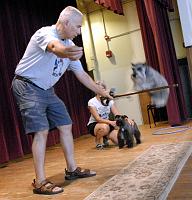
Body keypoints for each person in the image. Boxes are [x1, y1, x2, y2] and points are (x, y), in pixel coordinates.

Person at [12, 6, 112, 195]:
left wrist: (103, 92)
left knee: (65, 124)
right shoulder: (45, 34)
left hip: (46, 89)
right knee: (41, 131)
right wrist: (69, 51)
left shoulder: (69, 44)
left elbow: (82, 75)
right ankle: (40, 182)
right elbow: (55, 48)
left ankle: (72, 170)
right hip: (26, 85)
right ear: (65, 22)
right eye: (77, 26)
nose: (79, 31)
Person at [87, 81, 135, 150]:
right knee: (105, 127)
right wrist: (111, 122)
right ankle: (97, 141)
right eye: (100, 89)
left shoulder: (109, 100)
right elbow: (98, 119)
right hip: (95, 125)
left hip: (107, 124)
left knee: (121, 142)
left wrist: (126, 118)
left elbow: (116, 113)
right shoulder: (92, 102)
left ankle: (105, 137)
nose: (103, 91)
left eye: (104, 89)